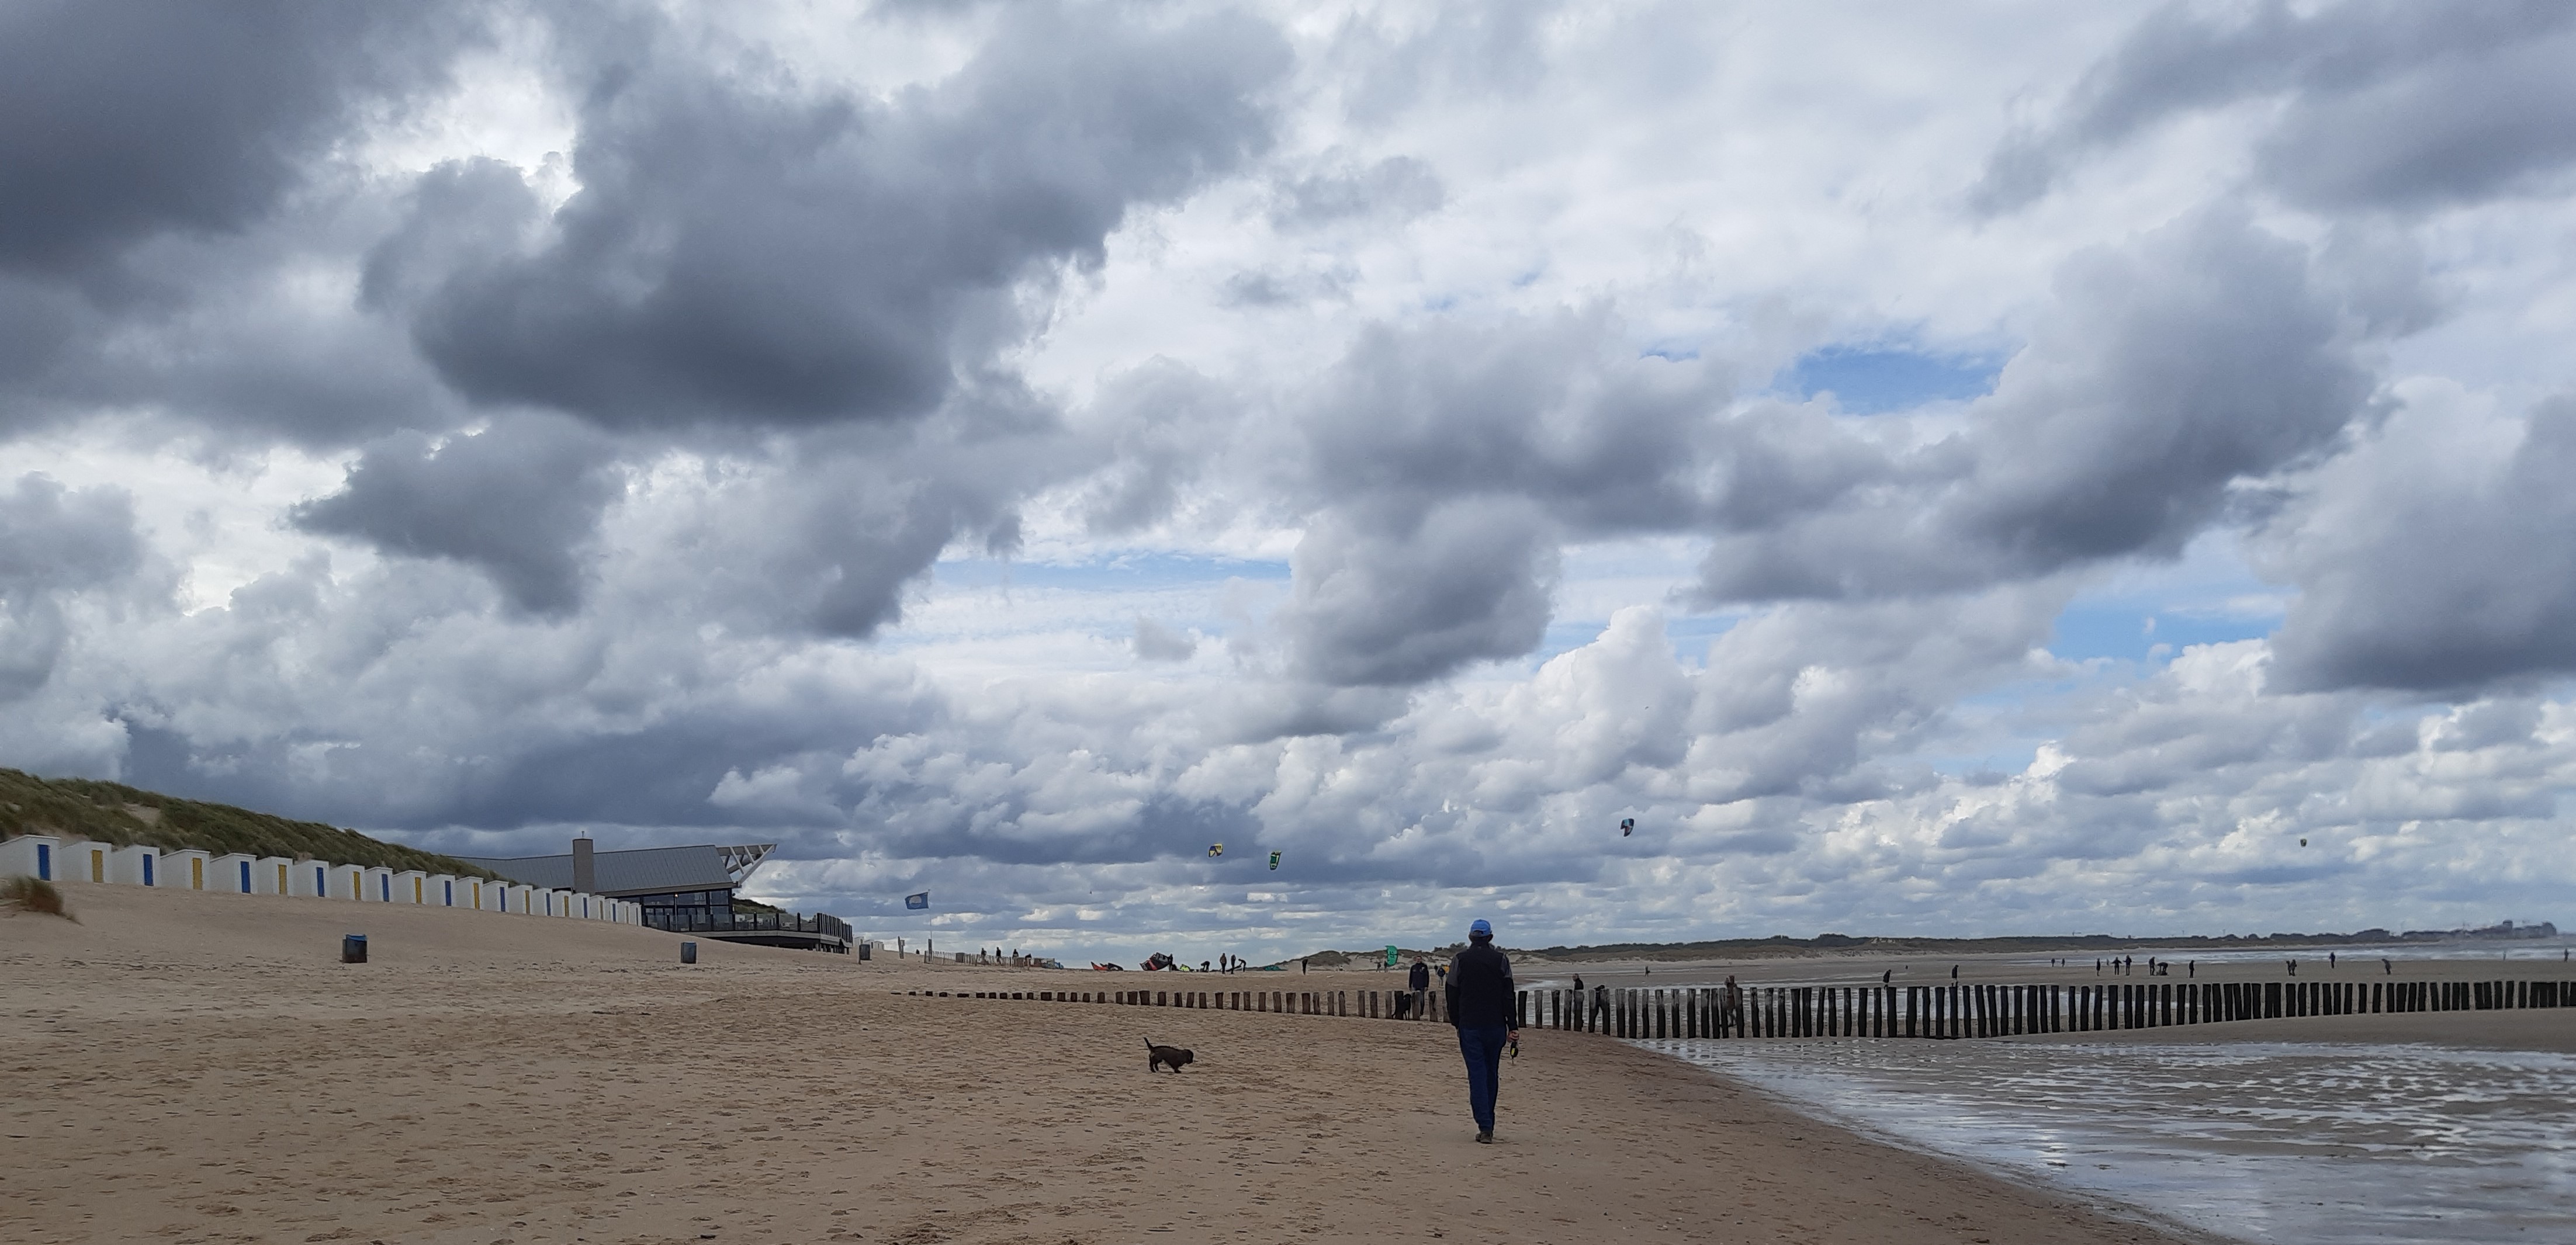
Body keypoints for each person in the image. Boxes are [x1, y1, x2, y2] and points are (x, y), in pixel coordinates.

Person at [1446, 918, 1520, 1143]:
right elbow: (1509, 994)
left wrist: (1456, 1022)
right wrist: (1513, 1026)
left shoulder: (1459, 960)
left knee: (1477, 1074)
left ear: (1471, 937)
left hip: (1470, 1025)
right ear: (1490, 937)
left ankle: (1485, 1125)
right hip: (1495, 1025)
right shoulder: (1501, 959)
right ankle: (1488, 1124)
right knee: (1491, 1073)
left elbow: (1451, 993)